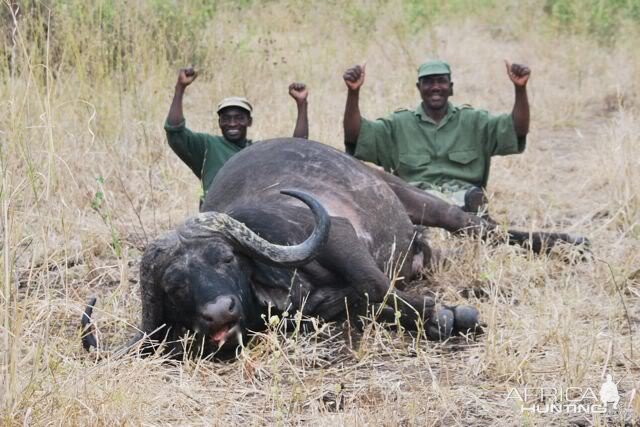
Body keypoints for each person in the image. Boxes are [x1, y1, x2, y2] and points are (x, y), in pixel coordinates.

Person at [342, 59, 530, 213]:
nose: (435, 87)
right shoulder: (398, 124)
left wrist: (520, 89)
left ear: (451, 87)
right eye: (428, 82)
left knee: (470, 200)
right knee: (419, 201)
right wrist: (353, 92)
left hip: (465, 199)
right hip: (417, 203)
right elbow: (355, 136)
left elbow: (517, 130)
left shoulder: (475, 121)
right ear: (419, 87)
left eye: (441, 81)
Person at [165, 66, 309, 204]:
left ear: (249, 121)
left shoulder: (260, 151)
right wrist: (180, 88)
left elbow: (297, 149)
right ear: (219, 122)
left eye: (239, 118)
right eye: (226, 118)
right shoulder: (207, 146)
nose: (232, 123)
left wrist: (302, 104)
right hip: (217, 216)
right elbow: (174, 131)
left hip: (253, 214)